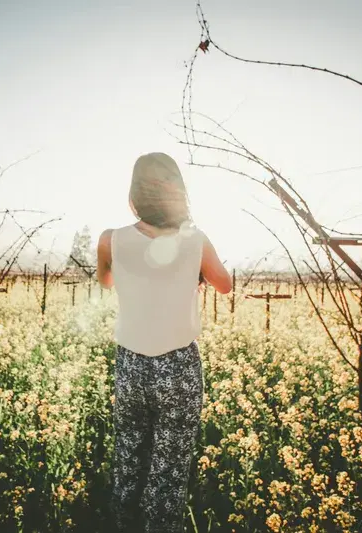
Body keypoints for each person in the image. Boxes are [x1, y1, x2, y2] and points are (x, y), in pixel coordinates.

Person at [96, 152, 232, 532]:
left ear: (135, 192)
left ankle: (123, 524)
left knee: (129, 453)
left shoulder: (111, 240)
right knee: (169, 466)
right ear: (178, 192)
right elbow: (225, 284)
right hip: (179, 366)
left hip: (130, 364)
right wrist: (194, 272)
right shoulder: (196, 240)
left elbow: (106, 281)